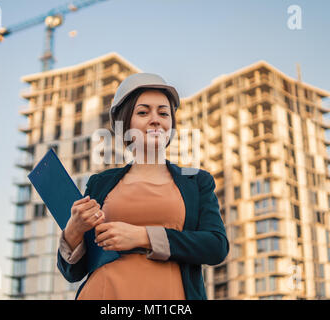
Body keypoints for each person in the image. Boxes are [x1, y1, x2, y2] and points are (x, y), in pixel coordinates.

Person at [57, 73, 229, 300]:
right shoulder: (100, 183)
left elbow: (216, 247)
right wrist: (74, 230)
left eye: (163, 113)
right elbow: (73, 272)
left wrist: (143, 236)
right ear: (125, 122)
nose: (156, 119)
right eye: (143, 112)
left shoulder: (197, 181)